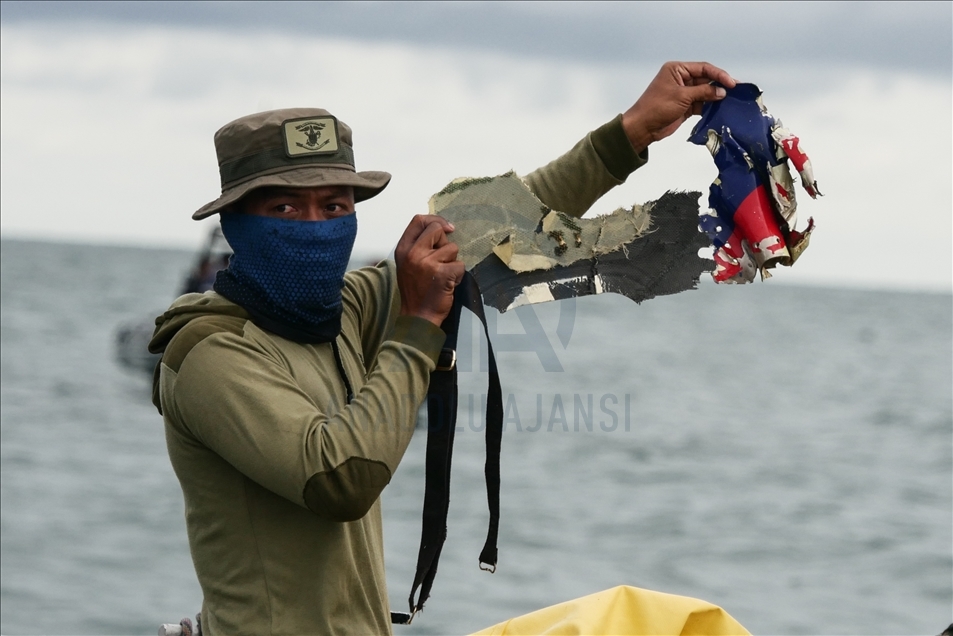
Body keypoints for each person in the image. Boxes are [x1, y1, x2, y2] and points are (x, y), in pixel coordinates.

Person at [149, 61, 736, 635]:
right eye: (285, 208)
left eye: (334, 207)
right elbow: (340, 478)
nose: (315, 225)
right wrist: (418, 326)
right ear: (235, 225)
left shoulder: (338, 314)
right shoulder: (208, 352)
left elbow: (496, 227)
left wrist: (631, 131)